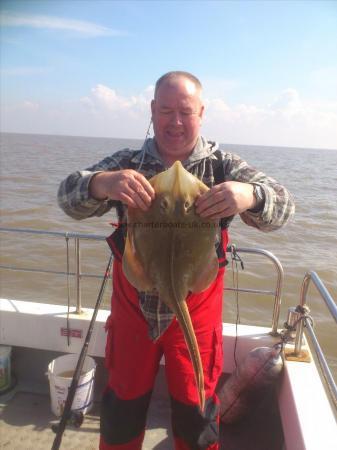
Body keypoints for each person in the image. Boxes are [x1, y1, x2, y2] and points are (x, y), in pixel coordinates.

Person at [58, 71, 295, 450]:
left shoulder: (222, 166)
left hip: (195, 312)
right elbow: (67, 196)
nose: (176, 121)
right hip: (134, 308)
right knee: (122, 406)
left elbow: (285, 206)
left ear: (202, 112)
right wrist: (102, 183)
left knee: (196, 411)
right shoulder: (128, 162)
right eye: (166, 110)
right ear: (152, 112)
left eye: (185, 111)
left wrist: (249, 194)